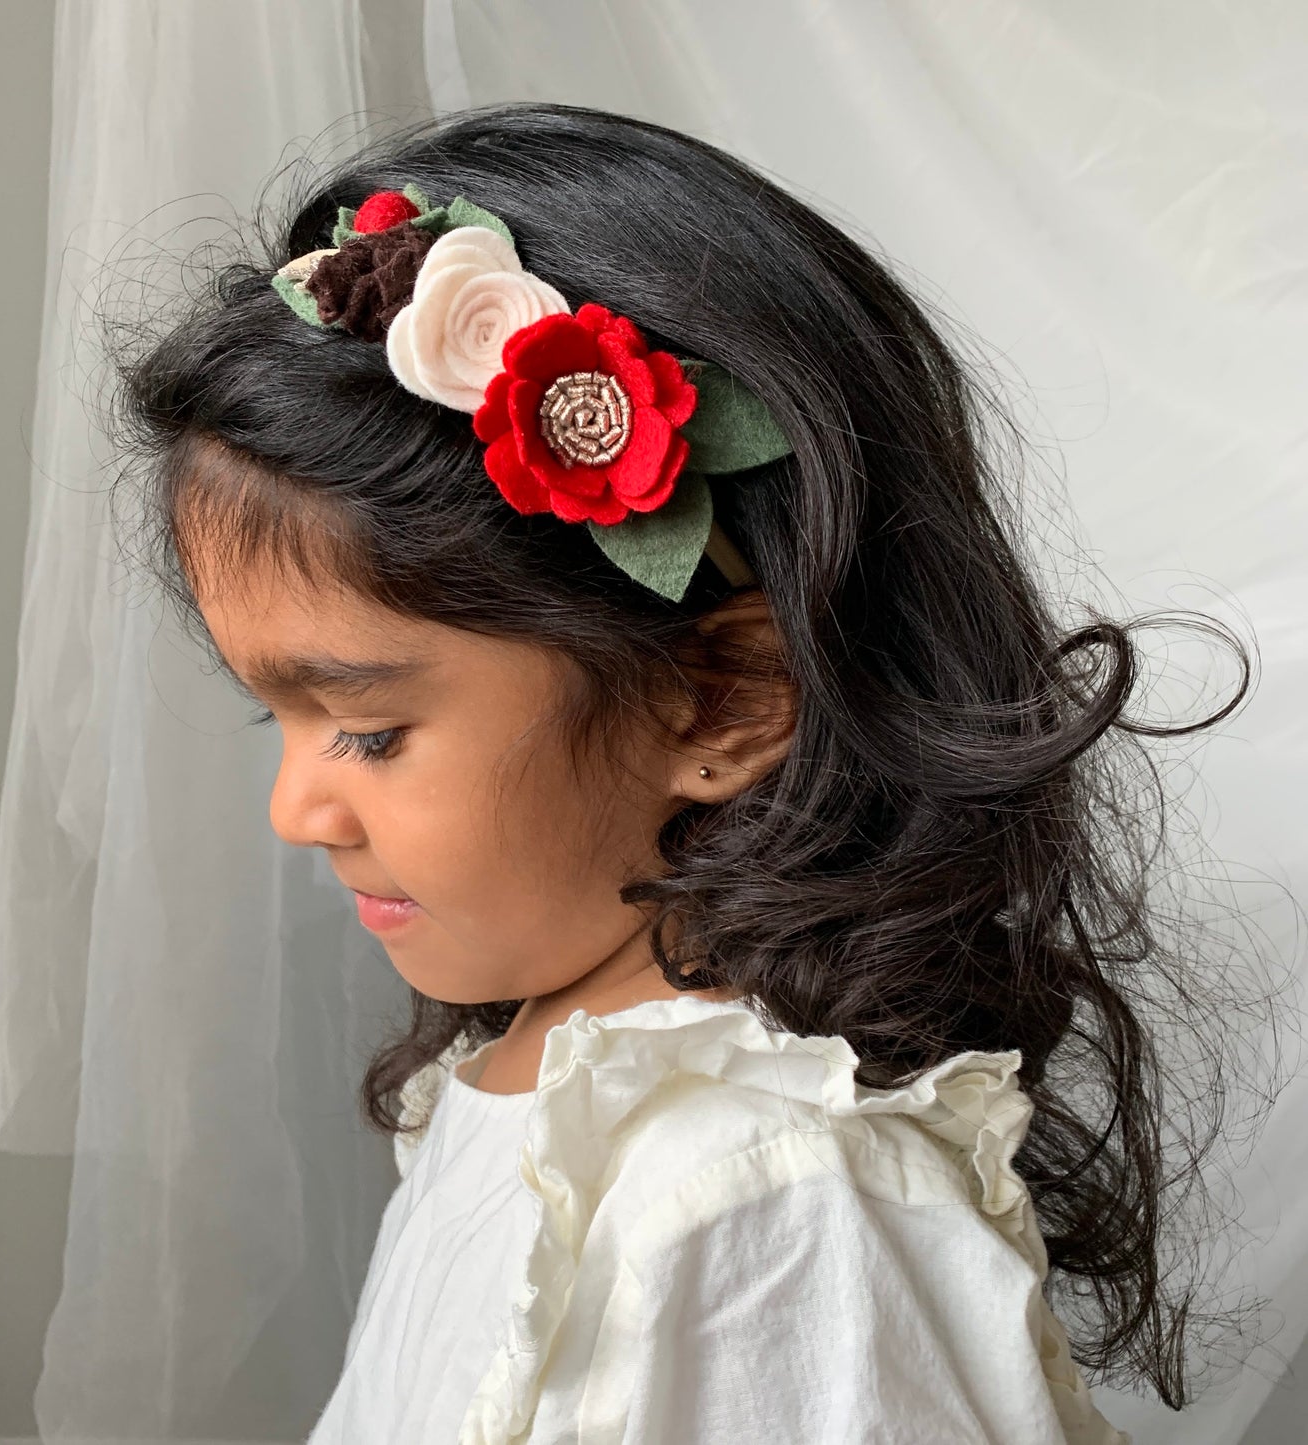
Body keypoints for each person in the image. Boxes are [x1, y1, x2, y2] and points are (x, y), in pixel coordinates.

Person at [102, 99, 1264, 1443]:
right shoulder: (558, 1096)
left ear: (724, 699)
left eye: (365, 729)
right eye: (278, 721)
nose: (296, 809)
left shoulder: (768, 1204)